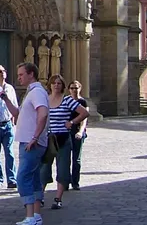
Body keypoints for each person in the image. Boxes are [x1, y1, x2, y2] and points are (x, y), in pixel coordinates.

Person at [0, 62, 49, 225]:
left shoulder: (37, 92)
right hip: (28, 141)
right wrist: (6, 99)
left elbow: (43, 114)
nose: (19, 78)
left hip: (31, 143)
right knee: (34, 178)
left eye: (21, 74)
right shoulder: (31, 92)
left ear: (31, 74)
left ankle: (30, 216)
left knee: (22, 177)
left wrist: (35, 137)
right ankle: (36, 215)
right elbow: (17, 113)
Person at [39, 75, 88, 209]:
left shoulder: (67, 100)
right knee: (44, 169)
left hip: (63, 139)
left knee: (63, 169)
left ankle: (58, 198)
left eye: (59, 83)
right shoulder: (45, 99)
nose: (56, 85)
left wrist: (72, 122)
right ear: (50, 85)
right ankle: (40, 196)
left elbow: (84, 113)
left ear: (62, 86)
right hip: (48, 139)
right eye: (54, 83)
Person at [67, 81, 88, 190]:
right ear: (69, 89)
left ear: (80, 88)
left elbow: (84, 119)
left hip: (77, 131)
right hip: (67, 132)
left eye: (76, 88)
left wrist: (80, 131)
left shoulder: (83, 102)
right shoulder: (66, 101)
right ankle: (65, 181)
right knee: (65, 159)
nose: (74, 90)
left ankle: (75, 182)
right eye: (72, 88)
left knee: (76, 159)